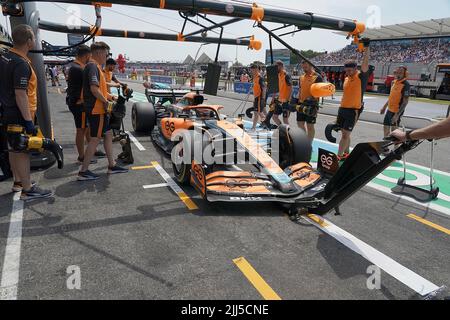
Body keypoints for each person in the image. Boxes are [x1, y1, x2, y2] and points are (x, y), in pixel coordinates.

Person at [0, 24, 52, 200]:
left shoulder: (5, 57)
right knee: (22, 151)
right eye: (34, 38)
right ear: (29, 41)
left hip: (7, 112)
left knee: (13, 148)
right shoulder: (21, 63)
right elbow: (20, 93)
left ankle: (18, 182)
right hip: (20, 114)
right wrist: (28, 121)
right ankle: (28, 189)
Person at [78, 42, 128, 181]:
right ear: (99, 53)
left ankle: (112, 165)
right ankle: (83, 171)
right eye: (106, 54)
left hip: (97, 108)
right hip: (97, 110)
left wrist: (111, 97)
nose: (107, 57)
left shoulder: (94, 67)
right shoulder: (93, 66)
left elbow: (99, 88)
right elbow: (94, 90)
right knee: (94, 139)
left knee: (107, 134)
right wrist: (107, 102)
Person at [336, 46, 370, 160]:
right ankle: (346, 153)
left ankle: (338, 156)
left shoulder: (361, 76)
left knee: (345, 135)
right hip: (342, 109)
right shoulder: (346, 78)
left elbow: (365, 65)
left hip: (353, 111)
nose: (348, 72)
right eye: (346, 70)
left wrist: (367, 49)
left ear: (356, 68)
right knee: (344, 134)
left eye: (350, 70)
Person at [296, 61, 323, 141]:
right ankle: (304, 142)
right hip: (301, 103)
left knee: (310, 126)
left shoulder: (317, 77)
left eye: (306, 67)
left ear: (311, 66)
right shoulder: (301, 77)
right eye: (303, 67)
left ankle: (309, 145)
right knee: (300, 124)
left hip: (312, 105)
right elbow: (300, 90)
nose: (304, 69)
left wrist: (311, 99)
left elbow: (319, 92)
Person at [380, 66, 410, 137]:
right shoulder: (393, 82)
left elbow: (405, 101)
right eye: (397, 72)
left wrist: (397, 115)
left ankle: (396, 147)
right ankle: (385, 147)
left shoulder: (406, 84)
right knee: (385, 129)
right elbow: (391, 97)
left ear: (404, 74)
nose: (398, 74)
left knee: (394, 133)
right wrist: (384, 107)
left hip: (396, 111)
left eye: (401, 73)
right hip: (389, 110)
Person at [272, 60, 293, 126]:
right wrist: (273, 98)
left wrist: (288, 100)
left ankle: (288, 134)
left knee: (285, 119)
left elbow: (291, 88)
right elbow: (277, 88)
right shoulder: (278, 75)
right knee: (274, 117)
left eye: (276, 66)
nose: (275, 68)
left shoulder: (286, 75)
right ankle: (282, 129)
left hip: (286, 101)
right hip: (279, 100)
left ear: (281, 66)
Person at [250, 64, 266, 131]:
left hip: (259, 97)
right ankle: (253, 127)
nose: (251, 71)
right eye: (251, 70)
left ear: (256, 69)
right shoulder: (254, 77)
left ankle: (266, 124)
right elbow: (255, 86)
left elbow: (264, 87)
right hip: (256, 97)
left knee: (260, 113)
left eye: (253, 70)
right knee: (255, 113)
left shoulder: (260, 77)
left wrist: (263, 98)